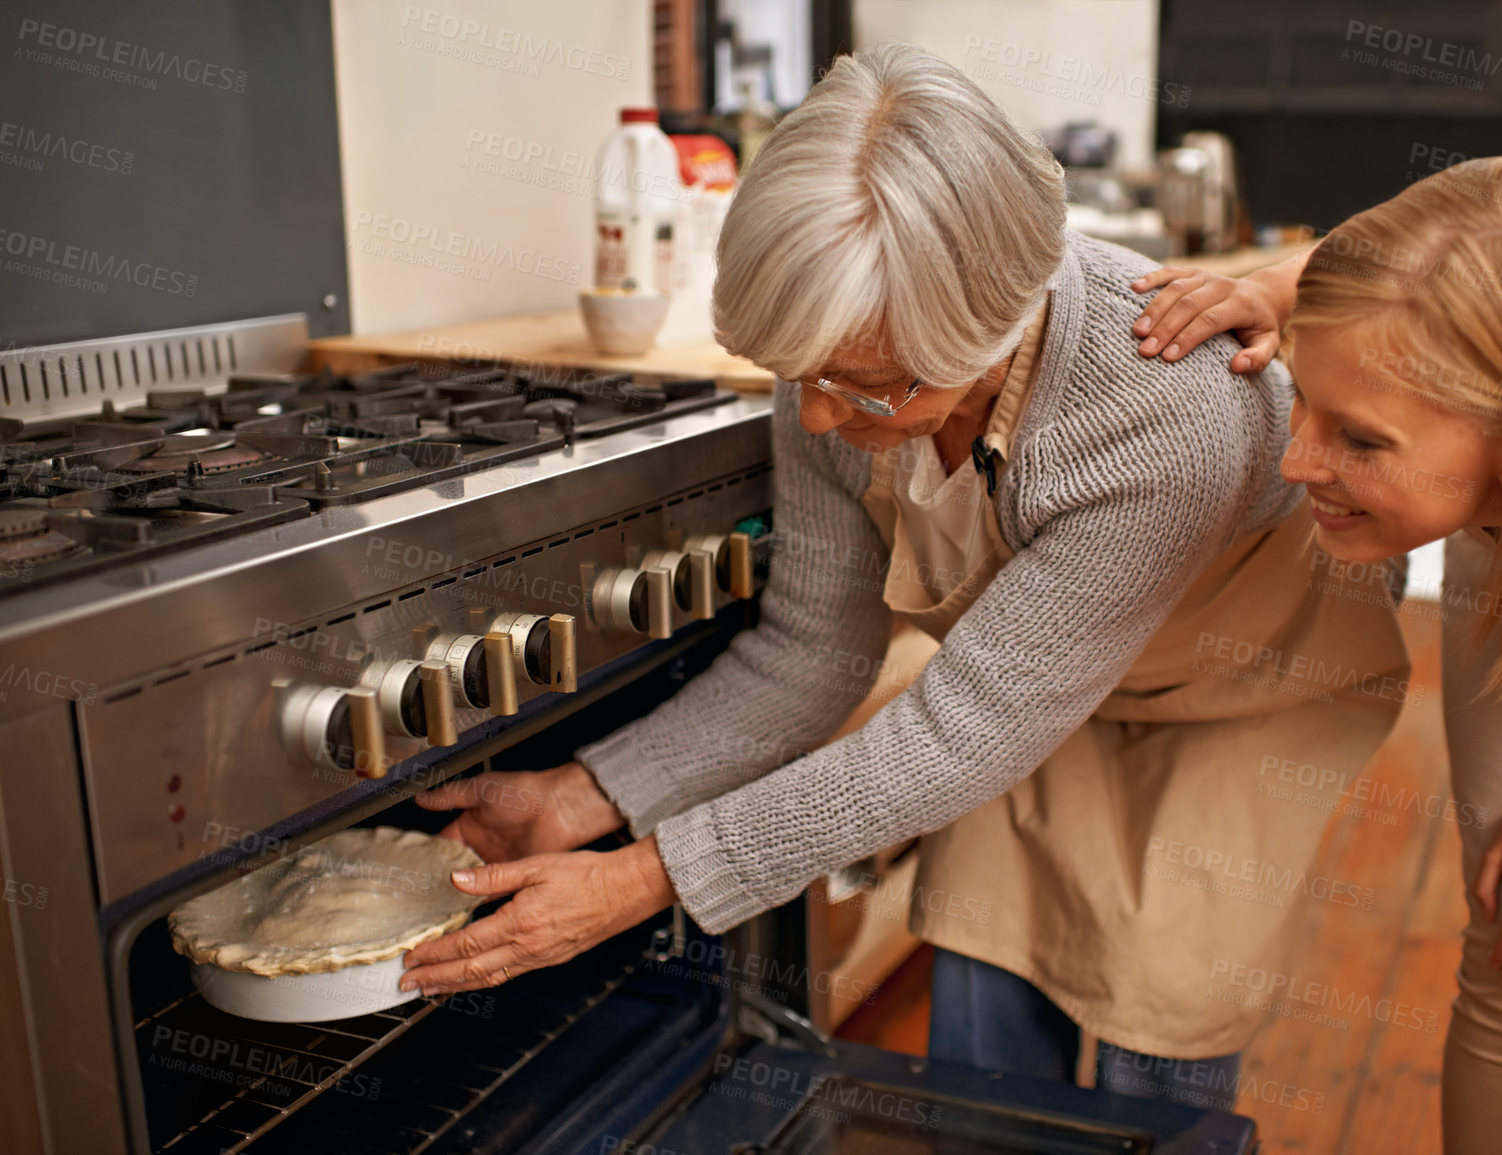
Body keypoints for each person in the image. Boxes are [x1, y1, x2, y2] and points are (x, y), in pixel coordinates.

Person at [399, 42, 1408, 1110]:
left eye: (872, 391)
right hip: (1020, 689)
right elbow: (812, 652)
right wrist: (585, 794)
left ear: (998, 328)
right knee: (984, 966)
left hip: (1239, 700)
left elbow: (958, 738)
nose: (824, 418)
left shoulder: (1165, 411)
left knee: (1159, 1009)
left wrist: (645, 876)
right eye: (803, 379)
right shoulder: (842, 349)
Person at [1129, 154, 1502, 1154]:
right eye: (1303, 406)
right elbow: (1393, 265)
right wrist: (1269, 291)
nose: (1297, 463)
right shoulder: (1465, 364)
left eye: (1358, 441)